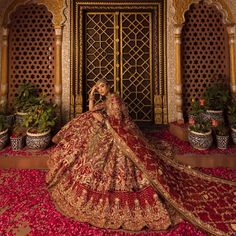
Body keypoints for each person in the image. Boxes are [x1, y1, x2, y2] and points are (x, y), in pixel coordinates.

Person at [46, 79, 236, 235]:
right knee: (86, 124)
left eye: (102, 85)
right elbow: (91, 110)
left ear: (109, 86)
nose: (100, 89)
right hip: (109, 131)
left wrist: (102, 120)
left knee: (93, 129)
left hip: (115, 133)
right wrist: (91, 94)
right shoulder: (106, 100)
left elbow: (116, 121)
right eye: (98, 86)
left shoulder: (114, 100)